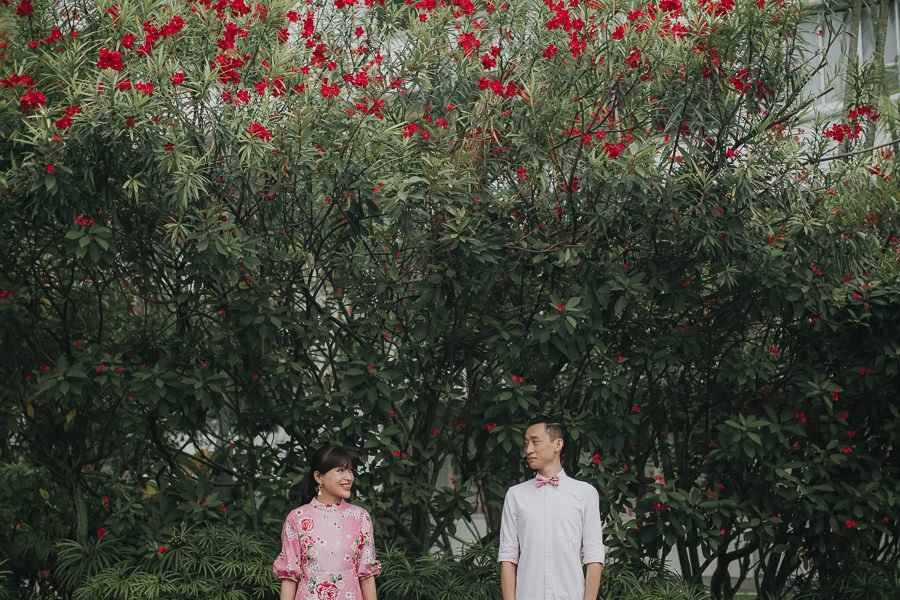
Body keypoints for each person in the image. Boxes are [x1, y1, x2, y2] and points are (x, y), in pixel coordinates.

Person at [498, 415, 605, 600]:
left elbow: (594, 555)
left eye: (535, 442)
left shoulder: (585, 493)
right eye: (526, 443)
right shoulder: (515, 495)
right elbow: (508, 556)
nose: (528, 450)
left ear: (557, 444)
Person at [274, 445, 381, 600]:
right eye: (340, 470)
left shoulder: (360, 517)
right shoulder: (297, 518)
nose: (349, 477)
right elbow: (289, 577)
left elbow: (367, 575)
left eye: (350, 470)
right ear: (318, 477)